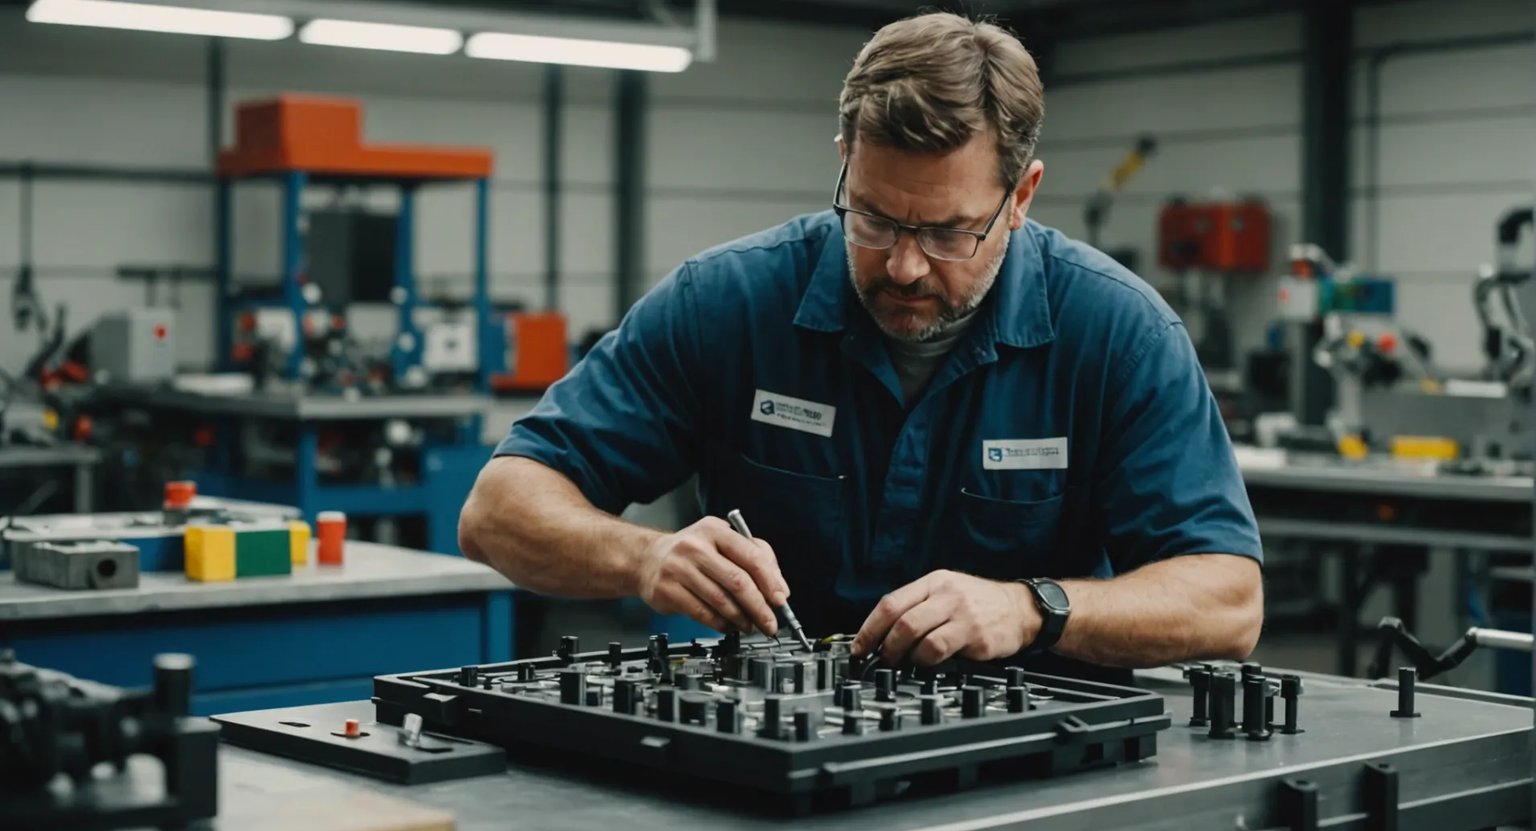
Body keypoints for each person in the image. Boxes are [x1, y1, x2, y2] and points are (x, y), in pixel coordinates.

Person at [459, 11, 1263, 682]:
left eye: (949, 232)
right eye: (874, 218)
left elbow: (1228, 598)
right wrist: (643, 558)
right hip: (772, 740)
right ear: (844, 164)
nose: (905, 265)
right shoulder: (730, 303)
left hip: (1029, 761)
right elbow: (499, 510)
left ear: (1021, 196)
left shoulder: (1116, 333)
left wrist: (1032, 607)